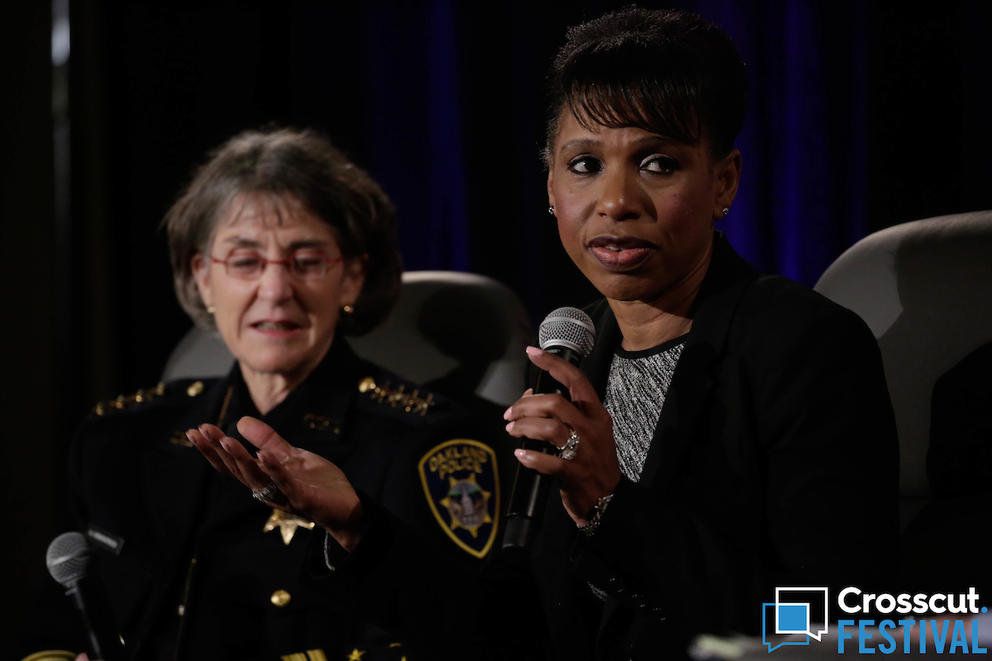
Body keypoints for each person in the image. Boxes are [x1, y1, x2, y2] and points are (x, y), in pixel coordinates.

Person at [16, 128, 507, 661]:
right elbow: (56, 630)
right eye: (246, 262)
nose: (275, 290)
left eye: (307, 260)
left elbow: (475, 634)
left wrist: (359, 530)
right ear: (203, 278)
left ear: (352, 277)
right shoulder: (118, 438)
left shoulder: (429, 444)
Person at [499, 7, 899, 660]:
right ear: (550, 185)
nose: (616, 200)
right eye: (584, 165)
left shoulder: (806, 347)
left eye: (657, 163)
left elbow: (835, 620)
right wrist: (357, 534)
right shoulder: (567, 354)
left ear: (724, 182)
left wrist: (611, 508)